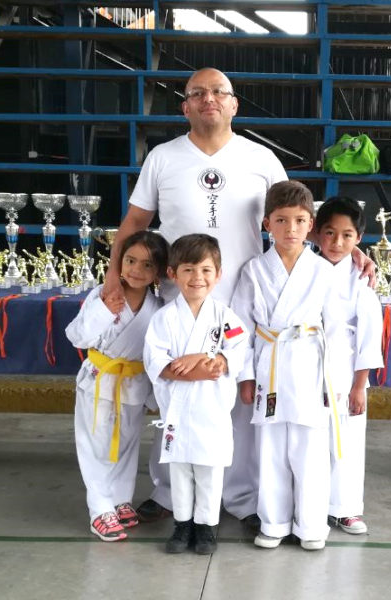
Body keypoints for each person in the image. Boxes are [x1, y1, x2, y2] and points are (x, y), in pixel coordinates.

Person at [101, 67, 287, 529]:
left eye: (219, 92)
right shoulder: (163, 157)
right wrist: (112, 276)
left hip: (242, 296)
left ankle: (241, 497)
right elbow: (135, 221)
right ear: (184, 106)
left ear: (234, 103)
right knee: (174, 395)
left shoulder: (260, 158)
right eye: (198, 93)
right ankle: (168, 494)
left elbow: (295, 216)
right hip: (176, 298)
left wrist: (354, 251)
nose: (209, 99)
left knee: (239, 395)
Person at [231, 180, 340, 551]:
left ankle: (311, 525)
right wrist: (245, 375)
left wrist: (334, 381)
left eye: (298, 220)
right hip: (270, 364)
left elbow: (337, 330)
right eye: (281, 220)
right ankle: (274, 522)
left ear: (311, 224)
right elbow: (240, 327)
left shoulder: (324, 271)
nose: (290, 229)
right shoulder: (254, 270)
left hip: (310, 365)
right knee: (270, 449)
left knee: (310, 449)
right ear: (267, 225)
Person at [143, 234, 249, 555]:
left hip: (212, 410)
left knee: (209, 471)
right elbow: (157, 362)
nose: (197, 278)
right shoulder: (164, 318)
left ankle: (206, 528)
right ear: (173, 274)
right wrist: (202, 365)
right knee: (179, 470)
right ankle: (182, 525)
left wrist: (203, 361)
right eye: (188, 270)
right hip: (176, 409)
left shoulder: (225, 317)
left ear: (218, 274)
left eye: (205, 270)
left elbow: (236, 353)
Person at [65, 231, 168, 542]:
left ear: (159, 272)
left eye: (147, 265)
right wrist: (105, 310)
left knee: (127, 444)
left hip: (133, 382)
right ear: (118, 262)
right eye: (130, 261)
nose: (136, 270)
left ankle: (120, 500)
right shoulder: (103, 295)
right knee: (94, 445)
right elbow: (77, 337)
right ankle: (100, 509)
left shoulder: (158, 306)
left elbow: (154, 353)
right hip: (99, 380)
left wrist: (154, 393)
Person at [315, 197, 384, 535]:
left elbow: (370, 337)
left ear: (359, 238)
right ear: (315, 234)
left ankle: (345, 508)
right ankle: (310, 504)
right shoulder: (303, 270)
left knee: (347, 439)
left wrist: (360, 385)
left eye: (347, 235)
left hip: (346, 370)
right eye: (329, 233)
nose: (337, 243)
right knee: (310, 439)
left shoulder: (361, 280)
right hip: (308, 367)